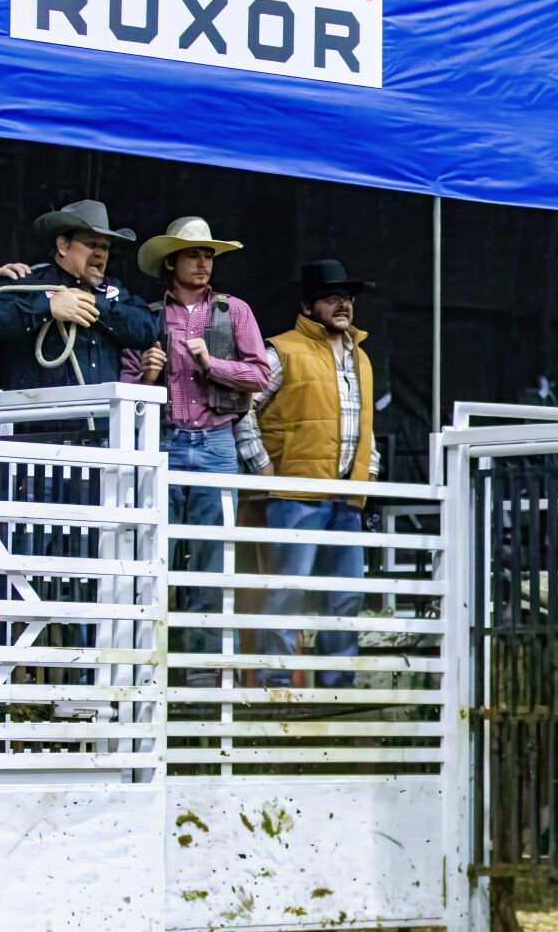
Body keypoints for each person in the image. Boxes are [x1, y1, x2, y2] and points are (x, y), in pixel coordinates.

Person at [122, 217, 271, 686]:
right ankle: (151, 667)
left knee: (212, 558)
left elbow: (260, 375)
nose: (204, 263)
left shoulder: (234, 311)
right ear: (171, 262)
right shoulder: (145, 316)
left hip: (216, 441)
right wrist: (148, 376)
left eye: (209, 255)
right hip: (163, 439)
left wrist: (211, 363)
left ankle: (203, 673)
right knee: (153, 554)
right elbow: (125, 387)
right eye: (194, 254)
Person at [237, 260, 380, 690]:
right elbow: (243, 408)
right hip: (296, 491)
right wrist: (262, 465)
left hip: (346, 495)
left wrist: (368, 473)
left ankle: (337, 684)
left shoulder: (362, 358)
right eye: (332, 297)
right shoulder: (280, 351)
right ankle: (275, 682)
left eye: (348, 298)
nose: (344, 305)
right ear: (308, 305)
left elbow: (364, 424)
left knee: (346, 594)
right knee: (287, 589)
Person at [0, 199, 157, 393]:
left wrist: (97, 305)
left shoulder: (114, 291)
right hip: (39, 418)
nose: (100, 254)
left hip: (100, 418)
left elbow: (148, 330)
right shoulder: (27, 282)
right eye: (91, 244)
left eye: (105, 247)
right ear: (63, 245)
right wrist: (48, 306)